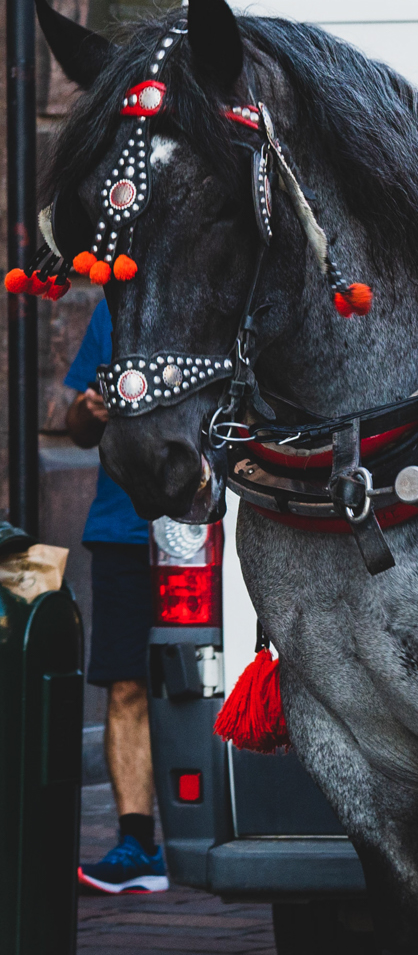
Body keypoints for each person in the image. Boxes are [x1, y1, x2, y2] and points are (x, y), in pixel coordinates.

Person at [66, 299, 168, 895]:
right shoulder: (111, 306)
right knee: (126, 681)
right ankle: (137, 847)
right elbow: (76, 429)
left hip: (214, 525)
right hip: (122, 526)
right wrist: (87, 409)